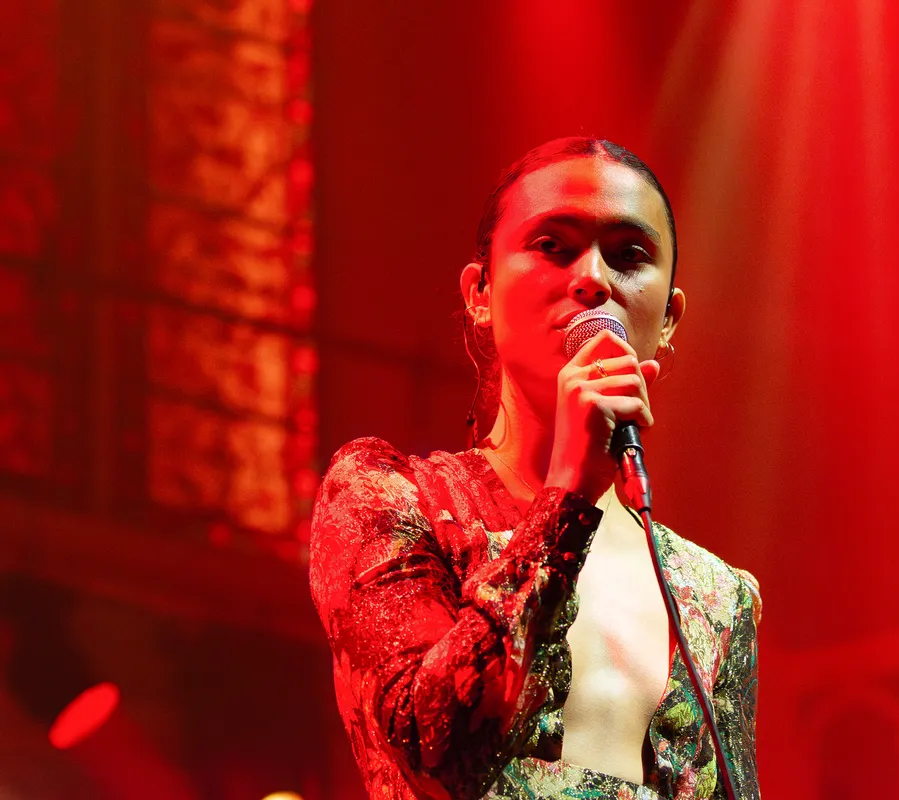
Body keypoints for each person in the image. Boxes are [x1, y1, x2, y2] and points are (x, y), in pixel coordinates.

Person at [309, 137, 761, 800]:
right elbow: (434, 750)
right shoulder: (391, 498)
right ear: (480, 292)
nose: (594, 279)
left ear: (668, 318)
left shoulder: (717, 595)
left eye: (628, 255)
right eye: (553, 246)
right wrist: (568, 498)